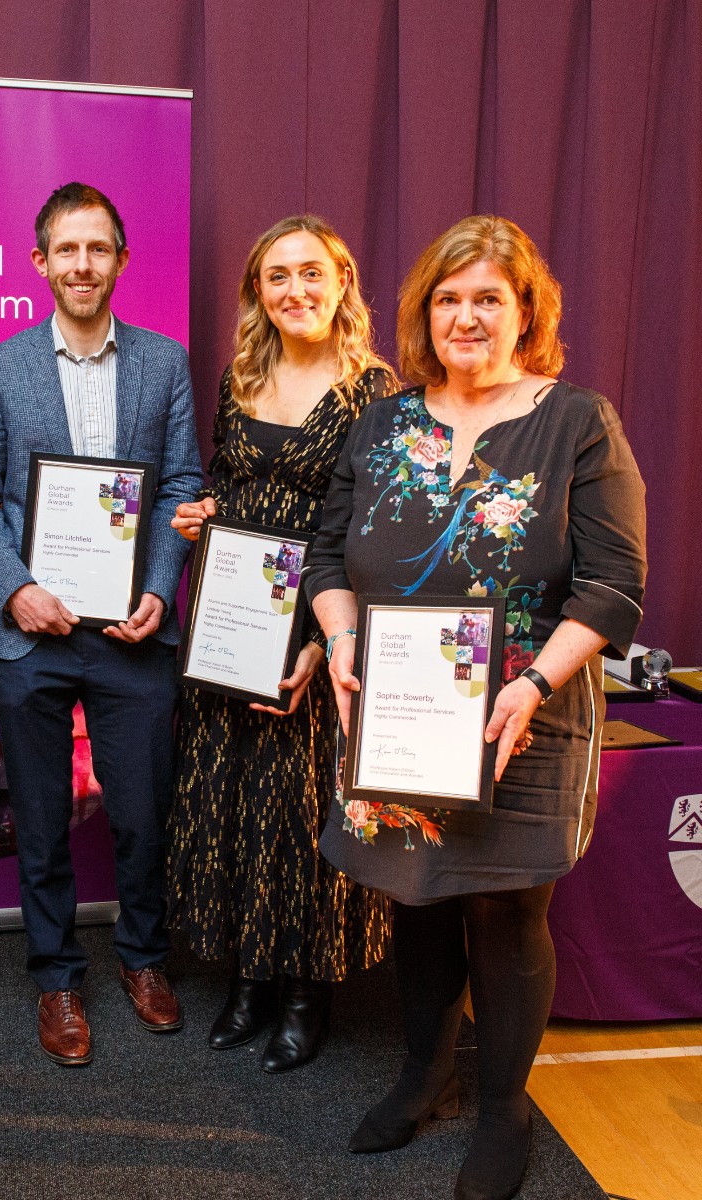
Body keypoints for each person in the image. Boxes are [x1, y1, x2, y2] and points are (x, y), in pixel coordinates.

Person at [305, 215, 646, 1199]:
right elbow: (326, 558)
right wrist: (338, 636)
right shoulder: (381, 422)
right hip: (400, 706)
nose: (467, 316)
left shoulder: (578, 421)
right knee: (414, 896)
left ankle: (503, 1112)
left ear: (526, 311)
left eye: (489, 297)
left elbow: (613, 587)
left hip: (523, 715)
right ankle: (424, 1077)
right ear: (423, 313)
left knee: (504, 906)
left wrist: (534, 683)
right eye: (449, 298)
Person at [0, 182, 203, 1066]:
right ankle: (56, 976)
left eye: (98, 249)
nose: (82, 265)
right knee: (39, 817)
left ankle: (144, 960)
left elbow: (180, 485)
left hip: (131, 634)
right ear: (40, 263)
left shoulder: (163, 363)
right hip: (30, 632)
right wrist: (15, 588)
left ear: (120, 260)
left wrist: (157, 588)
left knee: (143, 813)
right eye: (66, 250)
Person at [168, 216, 396, 1072]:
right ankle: (249, 979)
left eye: (309, 272)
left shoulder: (376, 393)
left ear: (341, 279)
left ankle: (307, 994)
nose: (293, 290)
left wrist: (320, 643)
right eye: (275, 277)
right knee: (228, 798)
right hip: (230, 621)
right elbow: (230, 484)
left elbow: (379, 534)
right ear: (256, 292)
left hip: (314, 626)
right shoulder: (242, 376)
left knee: (300, 814)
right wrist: (203, 515)